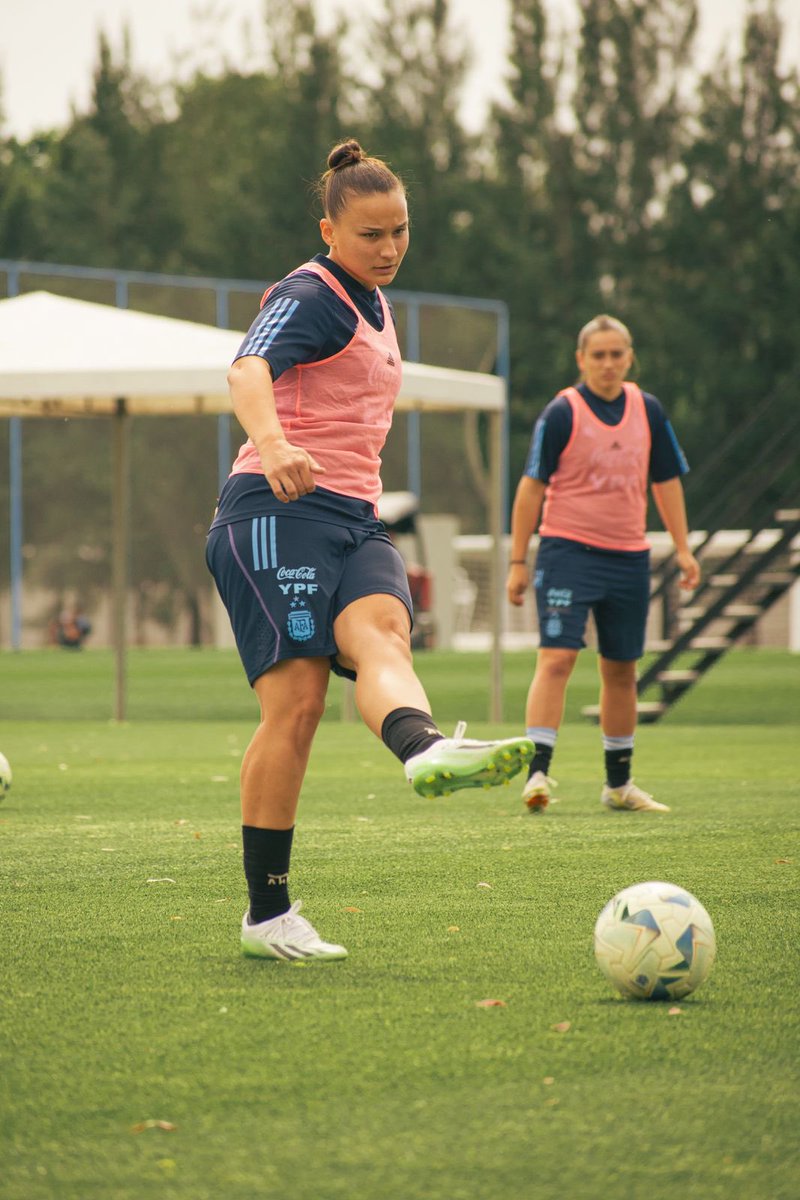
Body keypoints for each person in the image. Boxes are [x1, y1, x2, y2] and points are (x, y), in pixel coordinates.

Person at [206, 140, 534, 962]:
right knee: (299, 706)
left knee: (384, 629)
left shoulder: (377, 305)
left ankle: (426, 748)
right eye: (370, 235)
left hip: (355, 516)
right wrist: (275, 444)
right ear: (330, 230)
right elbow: (248, 370)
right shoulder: (311, 294)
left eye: (400, 232)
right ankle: (267, 916)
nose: (388, 248)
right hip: (274, 509)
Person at [506, 314, 700, 815]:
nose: (608, 364)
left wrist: (683, 547)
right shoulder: (562, 412)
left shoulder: (648, 410)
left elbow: (667, 482)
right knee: (557, 658)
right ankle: (538, 774)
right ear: (581, 360)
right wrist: (517, 560)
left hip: (628, 557)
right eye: (598, 355)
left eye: (617, 354)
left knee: (621, 670)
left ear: (629, 358)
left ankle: (618, 785)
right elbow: (531, 487)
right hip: (567, 553)